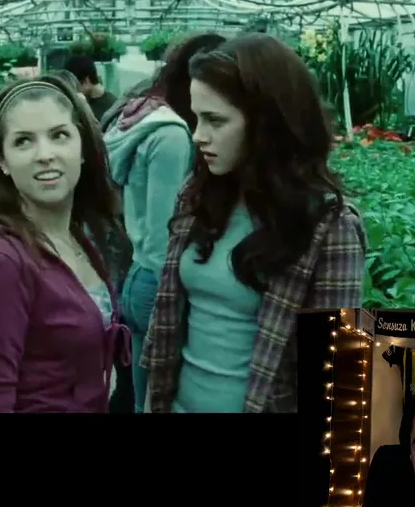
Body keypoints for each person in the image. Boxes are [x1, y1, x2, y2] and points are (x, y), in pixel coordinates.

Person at [142, 32, 367, 413]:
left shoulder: (328, 227)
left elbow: (335, 379)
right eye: (197, 118)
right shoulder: (199, 198)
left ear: (267, 125)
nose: (198, 136)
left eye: (215, 120)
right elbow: (166, 326)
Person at [0, 75, 129, 412]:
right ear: (2, 161)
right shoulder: (3, 262)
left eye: (59, 135)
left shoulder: (76, 235)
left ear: (82, 148)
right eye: (23, 141)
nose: (45, 155)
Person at [102, 32, 228, 413]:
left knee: (142, 395)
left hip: (140, 272)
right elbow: (164, 233)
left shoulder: (144, 116)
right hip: (154, 279)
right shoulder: (172, 136)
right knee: (151, 398)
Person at [63, 54, 118, 120]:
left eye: (74, 85)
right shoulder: (78, 102)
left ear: (86, 81)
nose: (73, 90)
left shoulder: (112, 107)